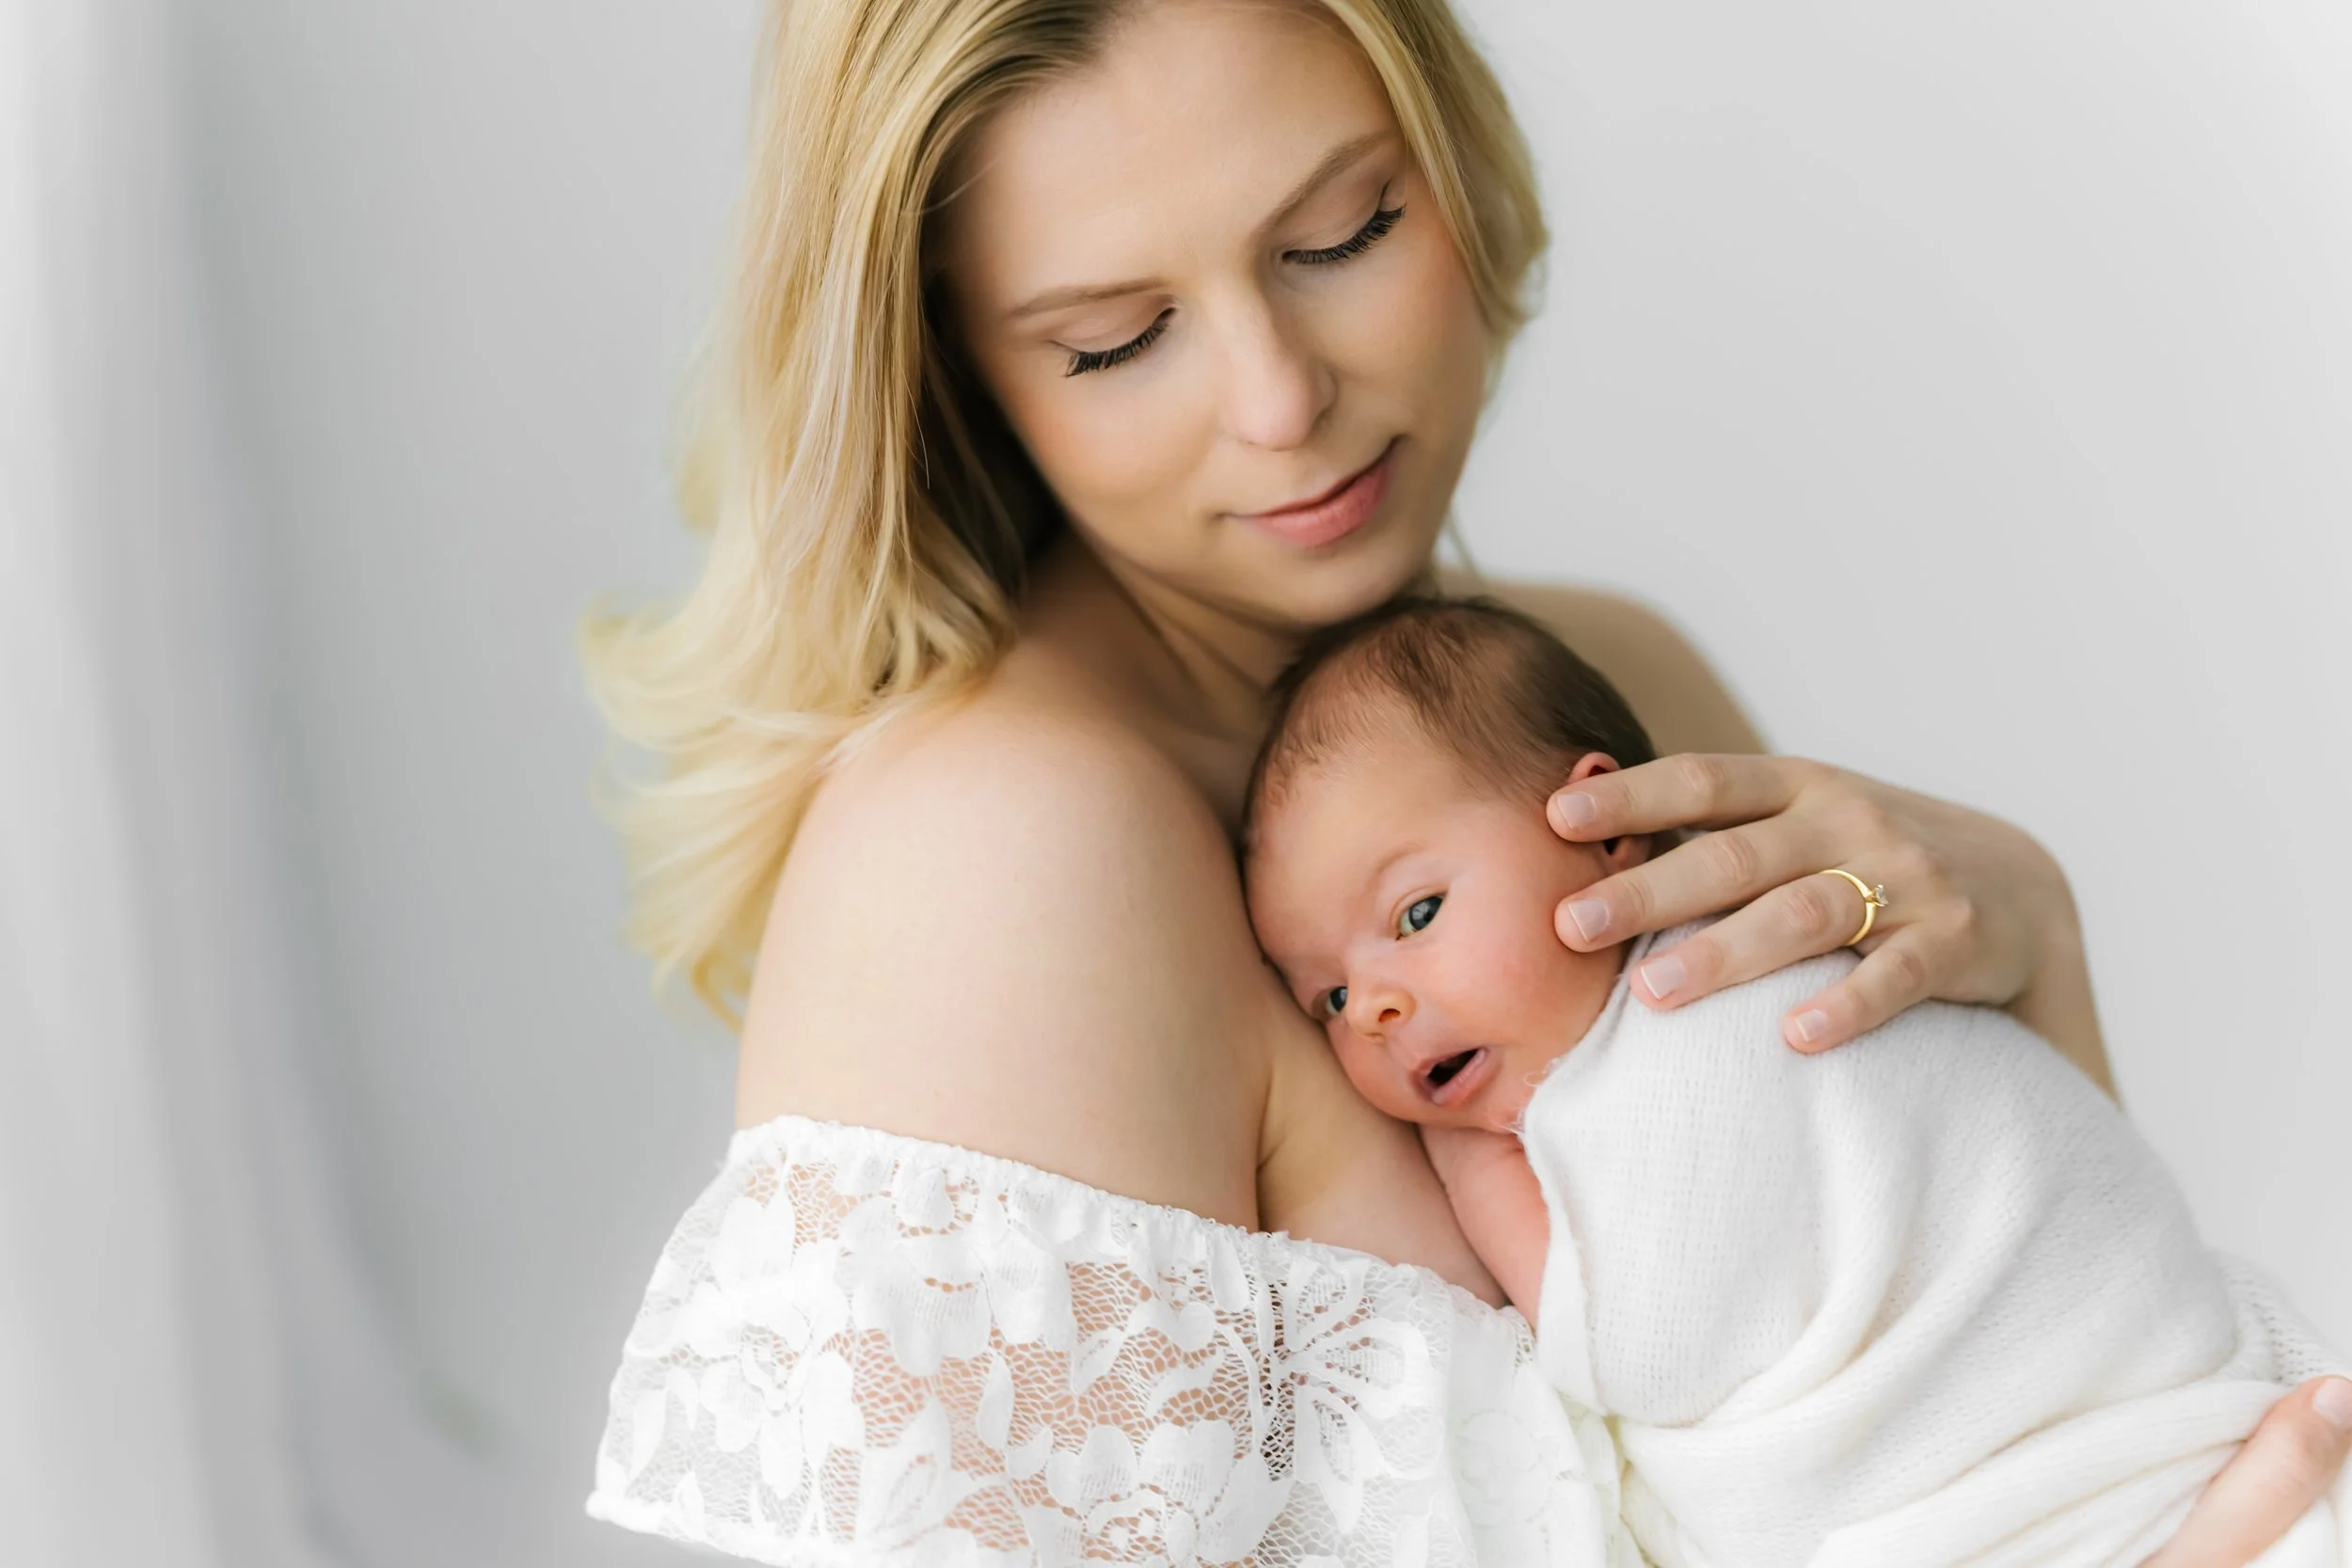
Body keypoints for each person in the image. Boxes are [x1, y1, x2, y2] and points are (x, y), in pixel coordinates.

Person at [577, 0, 2352, 1561]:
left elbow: (2016, 1371)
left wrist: (2030, 934)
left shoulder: (1617, 680)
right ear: (962, 380)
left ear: (1452, 149)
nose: (1284, 401)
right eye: (1116, 338)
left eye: (1344, 231)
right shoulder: (1003, 856)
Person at [1242, 594, 2348, 1567]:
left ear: (1607, 833)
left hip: (2101, 1474)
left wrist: (1472, 1155)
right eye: (1326, 997)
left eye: (1417, 914)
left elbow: (1646, 1345)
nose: (1374, 1005)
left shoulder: (1720, 1011)